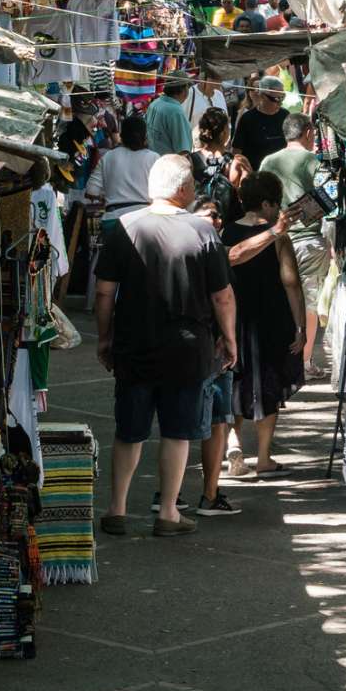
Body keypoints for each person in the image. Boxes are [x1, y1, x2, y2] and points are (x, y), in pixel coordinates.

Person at [93, 155, 236, 538]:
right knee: (176, 432)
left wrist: (104, 337)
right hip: (187, 348)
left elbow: (104, 292)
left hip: (133, 343)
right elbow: (222, 296)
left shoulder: (123, 227)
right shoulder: (203, 232)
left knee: (129, 431)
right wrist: (230, 339)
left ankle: (117, 508)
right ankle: (168, 512)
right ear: (185, 190)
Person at [220, 170, 303, 477]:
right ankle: (265, 457)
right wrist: (300, 327)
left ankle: (233, 443)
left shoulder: (226, 233)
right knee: (268, 386)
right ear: (267, 203)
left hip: (235, 318)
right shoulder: (277, 234)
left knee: (235, 383)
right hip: (271, 317)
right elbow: (291, 282)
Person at [262, 113, 332, 379]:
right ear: (309, 132)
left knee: (282, 298)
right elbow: (329, 199)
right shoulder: (313, 161)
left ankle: (282, 357)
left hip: (276, 238)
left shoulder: (268, 161)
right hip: (309, 239)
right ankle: (304, 362)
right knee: (309, 300)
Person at [191, 199, 240, 517]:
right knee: (197, 422)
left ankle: (207, 492)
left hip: (212, 344)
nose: (217, 220)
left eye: (219, 214)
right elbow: (222, 298)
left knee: (216, 421)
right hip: (206, 346)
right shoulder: (209, 251)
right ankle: (178, 495)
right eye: (209, 214)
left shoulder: (209, 248)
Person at [87, 115, 157, 218]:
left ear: (122, 135)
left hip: (113, 218)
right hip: (145, 219)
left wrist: (110, 198)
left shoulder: (109, 157)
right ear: (145, 136)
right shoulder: (154, 158)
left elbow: (91, 191)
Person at [188, 108, 239, 220]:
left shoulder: (190, 160)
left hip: (198, 218)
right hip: (226, 222)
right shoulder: (234, 162)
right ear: (224, 133)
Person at [231, 76, 289, 171]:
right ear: (262, 95)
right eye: (275, 99)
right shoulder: (248, 119)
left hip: (281, 173)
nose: (280, 103)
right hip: (256, 176)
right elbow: (236, 152)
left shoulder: (285, 115)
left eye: (282, 98)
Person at [145, 73, 193, 155]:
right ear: (184, 89)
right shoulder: (175, 112)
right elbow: (183, 151)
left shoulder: (155, 103)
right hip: (168, 164)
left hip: (153, 161)